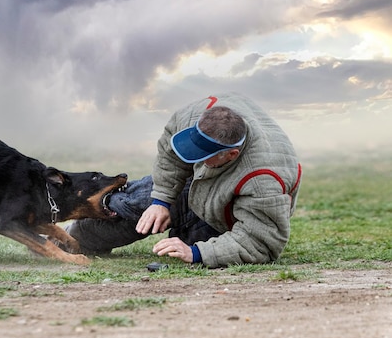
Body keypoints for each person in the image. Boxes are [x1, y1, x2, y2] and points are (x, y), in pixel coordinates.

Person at [67, 92, 302, 268]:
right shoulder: (199, 112)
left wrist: (197, 253)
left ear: (231, 154)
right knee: (140, 205)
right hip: (199, 184)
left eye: (204, 156)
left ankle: (187, 234)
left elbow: (260, 242)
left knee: (191, 242)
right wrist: (161, 201)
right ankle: (69, 239)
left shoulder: (264, 181)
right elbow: (171, 154)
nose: (192, 158)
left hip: (228, 213)